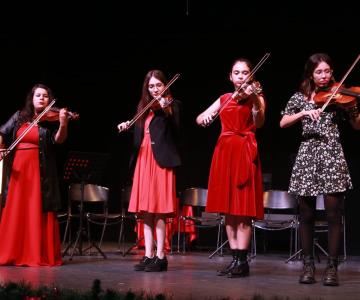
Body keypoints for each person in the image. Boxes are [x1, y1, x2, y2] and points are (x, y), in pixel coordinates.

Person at [280, 53, 360, 286]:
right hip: (307, 155)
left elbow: (357, 126)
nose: (324, 76)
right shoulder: (300, 97)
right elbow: (283, 122)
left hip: (332, 154)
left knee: (334, 215)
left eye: (327, 71)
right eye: (319, 72)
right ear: (311, 75)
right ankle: (308, 266)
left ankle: (332, 268)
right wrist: (304, 112)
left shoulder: (341, 95)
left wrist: (353, 108)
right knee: (306, 215)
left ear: (332, 72)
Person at [196, 58, 265, 278]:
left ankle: (243, 262)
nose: (241, 76)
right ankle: (234, 259)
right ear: (230, 76)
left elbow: (260, 121)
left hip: (244, 151)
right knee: (228, 210)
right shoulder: (224, 98)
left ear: (251, 76)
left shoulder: (257, 97)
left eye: (245, 72)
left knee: (242, 211)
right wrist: (205, 119)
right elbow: (199, 118)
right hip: (224, 152)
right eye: (237, 73)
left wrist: (254, 101)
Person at [117, 70, 181, 272]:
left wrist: (167, 110)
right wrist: (128, 125)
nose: (155, 90)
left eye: (158, 85)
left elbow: (177, 129)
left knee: (159, 210)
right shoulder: (143, 108)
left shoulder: (172, 105)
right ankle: (148, 254)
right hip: (143, 160)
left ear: (165, 86)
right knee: (145, 211)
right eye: (151, 86)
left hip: (160, 162)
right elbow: (142, 135)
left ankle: (161, 256)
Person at [0, 83, 70, 266]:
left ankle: (34, 254)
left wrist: (63, 123)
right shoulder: (19, 116)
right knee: (16, 210)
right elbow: (2, 132)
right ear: (31, 99)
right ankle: (12, 252)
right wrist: (1, 148)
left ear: (49, 99)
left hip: (40, 171)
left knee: (36, 210)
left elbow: (58, 140)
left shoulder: (49, 120)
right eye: (38, 95)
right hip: (18, 171)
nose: (41, 98)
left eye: (45, 96)